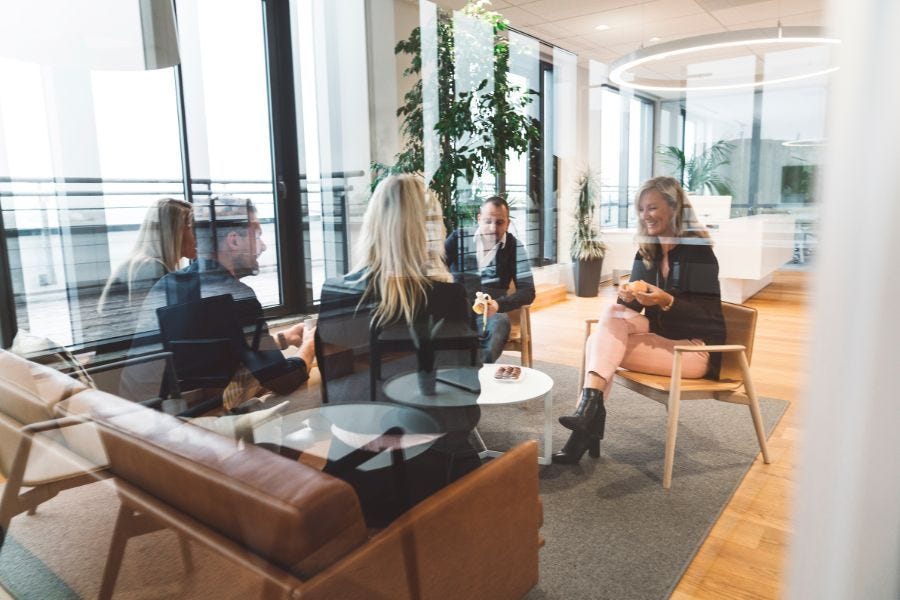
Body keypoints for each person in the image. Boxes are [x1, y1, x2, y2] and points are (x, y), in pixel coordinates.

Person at [316, 174, 481, 524]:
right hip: (421, 477)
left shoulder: (335, 292)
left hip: (349, 469)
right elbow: (462, 400)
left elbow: (338, 391)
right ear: (425, 229)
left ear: (374, 224)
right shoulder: (446, 296)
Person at [553, 176, 726, 464]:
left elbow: (706, 318)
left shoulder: (699, 252)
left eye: (653, 208)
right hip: (661, 335)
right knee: (611, 314)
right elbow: (627, 309)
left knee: (599, 344)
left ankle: (585, 425)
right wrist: (627, 295)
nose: (646, 216)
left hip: (697, 348)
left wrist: (665, 300)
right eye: (642, 209)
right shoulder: (648, 250)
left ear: (674, 208)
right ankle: (588, 413)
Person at [121, 196, 313, 406]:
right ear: (234, 241)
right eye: (256, 235)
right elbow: (282, 380)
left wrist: (285, 338)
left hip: (140, 411)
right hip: (182, 418)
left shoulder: (169, 284)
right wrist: (309, 345)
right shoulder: (235, 295)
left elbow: (225, 349)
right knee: (309, 383)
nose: (263, 246)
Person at [444, 196, 535, 363]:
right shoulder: (458, 238)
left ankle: (479, 369)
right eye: (488, 221)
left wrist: (499, 305)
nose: (493, 228)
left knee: (501, 322)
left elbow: (528, 291)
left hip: (489, 314)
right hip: (456, 312)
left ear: (508, 223)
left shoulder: (515, 248)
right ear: (479, 219)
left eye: (500, 222)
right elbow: (435, 269)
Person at [95, 198, 195, 339]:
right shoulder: (151, 268)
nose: (199, 234)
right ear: (175, 232)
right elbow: (150, 328)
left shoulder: (144, 263)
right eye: (191, 228)